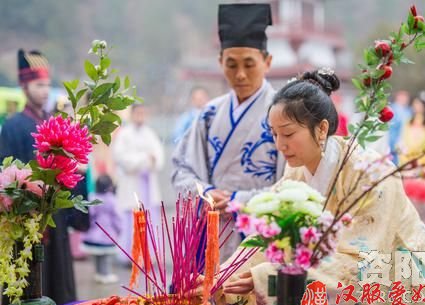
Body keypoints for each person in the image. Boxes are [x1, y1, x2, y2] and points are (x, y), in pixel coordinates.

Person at [211, 70, 425, 305]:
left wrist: (267, 279)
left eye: (288, 134)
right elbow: (269, 235)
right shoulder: (296, 171)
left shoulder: (371, 172)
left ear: (322, 128)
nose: (280, 144)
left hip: (402, 287)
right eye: (274, 134)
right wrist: (224, 274)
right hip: (351, 290)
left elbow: (358, 260)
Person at [171, 3, 285, 260]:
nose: (240, 74)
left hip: (261, 236)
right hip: (212, 234)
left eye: (249, 64)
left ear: (267, 62)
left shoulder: (285, 113)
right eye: (231, 64)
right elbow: (181, 168)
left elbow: (295, 184)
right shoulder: (209, 114)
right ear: (220, 61)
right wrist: (205, 193)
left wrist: (239, 199)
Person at [0, 50, 88, 305]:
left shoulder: (54, 122)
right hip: (26, 218)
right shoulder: (13, 125)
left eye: (48, 85)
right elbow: (5, 173)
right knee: (27, 282)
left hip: (55, 217)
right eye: (39, 85)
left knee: (60, 282)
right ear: (24, 86)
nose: (44, 90)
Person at [112, 104, 164, 264]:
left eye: (143, 113)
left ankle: (146, 255)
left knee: (148, 219)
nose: (140, 116)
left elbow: (158, 158)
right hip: (131, 182)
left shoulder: (150, 134)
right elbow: (120, 157)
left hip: (148, 184)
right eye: (137, 113)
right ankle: (129, 256)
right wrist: (144, 159)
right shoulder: (124, 134)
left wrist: (148, 160)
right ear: (132, 114)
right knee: (130, 220)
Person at [82, 175, 122, 283]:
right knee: (106, 257)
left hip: (94, 232)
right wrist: (119, 229)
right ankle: (106, 274)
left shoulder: (92, 197)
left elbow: (90, 214)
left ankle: (98, 273)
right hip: (107, 233)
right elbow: (116, 216)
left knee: (97, 256)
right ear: (110, 186)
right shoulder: (111, 199)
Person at [400, 95, 425, 205]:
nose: (417, 106)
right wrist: (405, 158)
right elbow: (404, 140)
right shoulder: (408, 121)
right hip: (409, 160)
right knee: (408, 195)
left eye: (419, 104)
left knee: (420, 193)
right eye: (415, 104)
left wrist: (423, 161)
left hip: (422, 161)